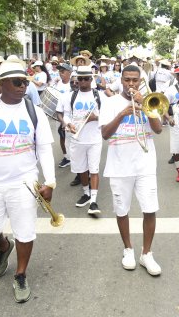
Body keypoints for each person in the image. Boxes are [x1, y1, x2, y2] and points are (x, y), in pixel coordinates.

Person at [0, 61, 56, 303]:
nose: (23, 86)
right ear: (2, 84)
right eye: (17, 82)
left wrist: (50, 182)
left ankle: (20, 274)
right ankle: (3, 247)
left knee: (25, 230)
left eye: (25, 82)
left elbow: (44, 149)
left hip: (24, 182)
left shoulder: (35, 112)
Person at [99, 65, 163, 276]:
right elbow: (105, 134)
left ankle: (147, 253)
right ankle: (128, 249)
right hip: (119, 166)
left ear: (140, 80)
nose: (131, 84)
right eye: (127, 80)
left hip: (145, 164)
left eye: (135, 80)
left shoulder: (148, 100)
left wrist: (143, 105)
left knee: (149, 209)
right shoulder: (110, 102)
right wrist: (122, 114)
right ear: (121, 80)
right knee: (121, 210)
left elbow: (158, 129)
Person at [63, 66, 102, 215]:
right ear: (76, 80)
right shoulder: (70, 96)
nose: (83, 82)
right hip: (76, 139)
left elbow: (107, 116)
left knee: (94, 169)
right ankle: (86, 193)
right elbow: (66, 114)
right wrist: (68, 123)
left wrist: (95, 117)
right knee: (82, 169)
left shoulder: (99, 96)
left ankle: (93, 201)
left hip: (94, 139)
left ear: (91, 80)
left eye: (86, 79)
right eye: (80, 79)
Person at [54, 63, 73, 168]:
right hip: (60, 114)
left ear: (69, 73)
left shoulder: (73, 83)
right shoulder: (58, 83)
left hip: (70, 115)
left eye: (63, 71)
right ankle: (66, 156)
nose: (60, 73)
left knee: (70, 137)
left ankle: (72, 157)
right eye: (59, 71)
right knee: (62, 136)